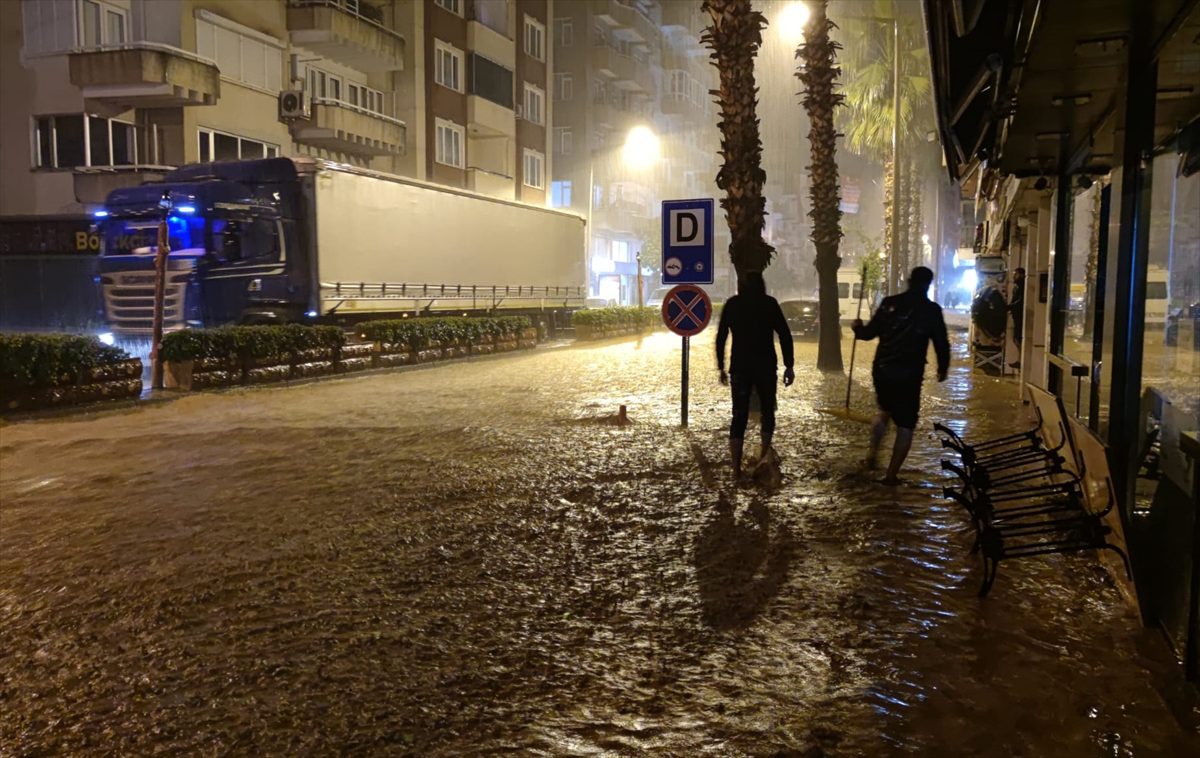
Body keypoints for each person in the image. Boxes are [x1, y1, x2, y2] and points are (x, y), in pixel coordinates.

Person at [852, 266, 950, 485]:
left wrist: (857, 328)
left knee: (884, 410)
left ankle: (872, 455)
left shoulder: (889, 303)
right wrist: (943, 369)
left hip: (883, 370)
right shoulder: (931, 310)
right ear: (929, 284)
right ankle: (890, 476)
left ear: (909, 280)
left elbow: (868, 334)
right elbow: (941, 343)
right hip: (910, 375)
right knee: (905, 425)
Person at [716, 272, 795, 478]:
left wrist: (721, 367)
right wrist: (789, 365)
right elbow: (785, 334)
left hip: (740, 368)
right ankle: (763, 456)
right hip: (765, 367)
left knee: (739, 415)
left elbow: (721, 336)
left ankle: (735, 468)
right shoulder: (769, 304)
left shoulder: (732, 304)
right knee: (767, 411)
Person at [1008, 267, 1026, 366]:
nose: (1014, 276)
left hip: (1021, 316)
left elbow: (1021, 301)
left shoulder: (1022, 286)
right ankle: (1019, 359)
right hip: (1016, 315)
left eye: (1016, 274)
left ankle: (1021, 360)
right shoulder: (1017, 286)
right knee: (1016, 338)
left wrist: (1010, 306)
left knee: (1018, 338)